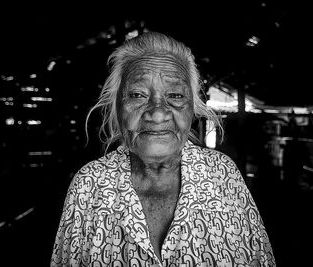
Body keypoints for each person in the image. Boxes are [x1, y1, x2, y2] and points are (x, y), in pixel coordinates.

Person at [51, 32, 275, 266]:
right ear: (118, 107)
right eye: (137, 95)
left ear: (193, 108)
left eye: (175, 95)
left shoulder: (222, 175)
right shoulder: (89, 184)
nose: (157, 113)